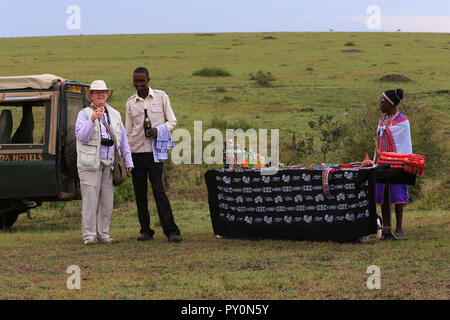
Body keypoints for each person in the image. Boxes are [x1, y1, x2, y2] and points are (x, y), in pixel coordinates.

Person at [125, 67, 182, 243]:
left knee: (159, 191)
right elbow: (127, 132)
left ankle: (172, 231)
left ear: (148, 80)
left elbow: (172, 121)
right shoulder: (130, 102)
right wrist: (126, 155)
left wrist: (159, 130)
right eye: (136, 81)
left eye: (142, 81)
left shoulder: (161, 97)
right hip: (136, 152)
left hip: (156, 152)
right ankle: (145, 231)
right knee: (140, 193)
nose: (139, 84)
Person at [75, 80, 133, 245]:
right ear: (91, 96)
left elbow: (122, 141)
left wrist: (128, 160)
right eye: (97, 92)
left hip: (110, 162)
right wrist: (92, 120)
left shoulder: (114, 114)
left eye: (104, 92)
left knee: (107, 201)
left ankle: (103, 234)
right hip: (90, 163)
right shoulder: (84, 114)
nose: (101, 94)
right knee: (90, 200)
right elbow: (82, 137)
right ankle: (89, 236)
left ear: (107, 94)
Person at [375, 88, 412, 238]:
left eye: (382, 101)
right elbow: (378, 140)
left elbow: (403, 142)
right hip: (382, 162)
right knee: (383, 195)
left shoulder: (402, 121)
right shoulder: (382, 120)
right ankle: (386, 227)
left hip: (397, 162)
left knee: (397, 194)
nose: (380, 104)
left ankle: (399, 227)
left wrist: (386, 130)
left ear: (390, 104)